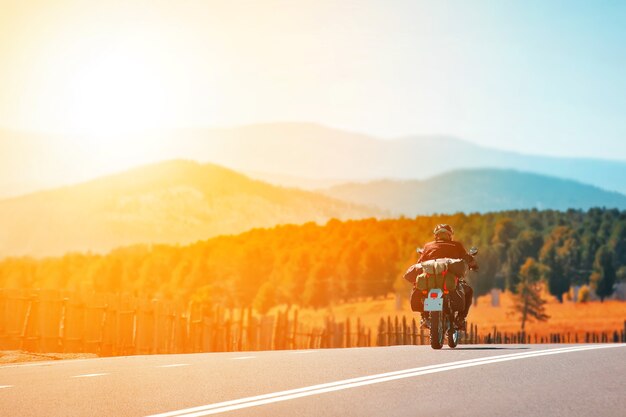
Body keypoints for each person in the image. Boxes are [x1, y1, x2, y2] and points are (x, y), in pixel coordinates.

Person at [406, 224, 478, 331]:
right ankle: (460, 319)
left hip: (430, 280)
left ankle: (424, 317)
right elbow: (466, 258)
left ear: (436, 236)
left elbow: (420, 263)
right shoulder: (456, 245)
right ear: (449, 235)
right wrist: (473, 264)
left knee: (419, 288)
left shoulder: (428, 246)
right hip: (448, 282)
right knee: (469, 291)